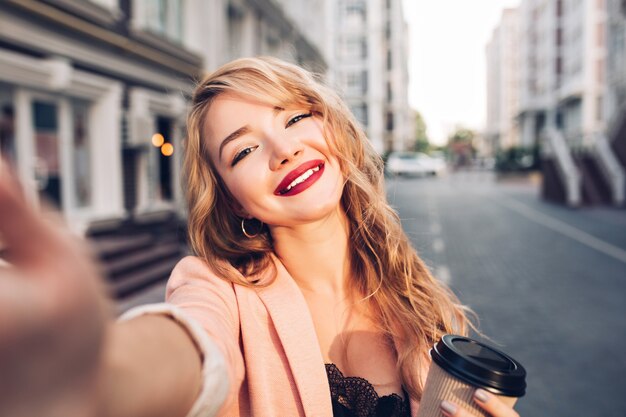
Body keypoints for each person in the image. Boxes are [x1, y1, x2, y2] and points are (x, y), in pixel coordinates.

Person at [0, 57, 521, 417]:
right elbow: (191, 349)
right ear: (231, 198)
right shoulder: (215, 289)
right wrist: (94, 374)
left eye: (295, 117)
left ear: (335, 133)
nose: (283, 149)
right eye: (243, 151)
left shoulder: (418, 299)